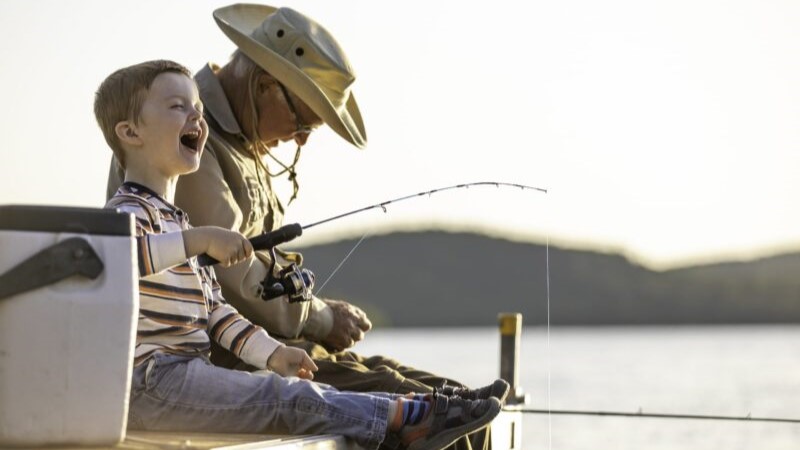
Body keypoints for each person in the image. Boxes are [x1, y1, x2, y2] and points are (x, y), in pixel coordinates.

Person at [105, 6, 508, 449]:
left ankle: (420, 410)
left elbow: (213, 302)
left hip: (259, 351)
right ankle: (410, 415)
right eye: (304, 121)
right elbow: (222, 277)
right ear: (265, 85)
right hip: (201, 374)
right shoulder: (176, 158)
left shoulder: (197, 140)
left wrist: (278, 351)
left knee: (440, 395)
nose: (300, 139)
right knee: (426, 414)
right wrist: (319, 317)